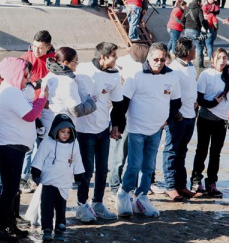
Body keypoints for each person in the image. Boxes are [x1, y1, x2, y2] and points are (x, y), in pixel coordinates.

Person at [115, 42, 181, 218]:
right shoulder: (136, 75)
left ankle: (142, 195)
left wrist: (166, 120)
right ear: (149, 58)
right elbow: (124, 102)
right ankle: (124, 192)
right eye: (155, 59)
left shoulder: (172, 76)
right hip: (136, 128)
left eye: (162, 59)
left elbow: (176, 102)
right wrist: (119, 126)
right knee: (134, 164)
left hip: (156, 129)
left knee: (149, 166)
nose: (159, 63)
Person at [0, 57, 48, 243]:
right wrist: (43, 97)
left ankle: (10, 225)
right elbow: (30, 115)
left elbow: (28, 109)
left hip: (14, 146)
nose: (28, 77)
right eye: (25, 74)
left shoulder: (16, 89)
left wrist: (35, 96)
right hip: (6, 146)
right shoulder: (10, 92)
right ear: (15, 74)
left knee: (13, 189)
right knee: (9, 189)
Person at [74, 42, 123, 221]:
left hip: (103, 128)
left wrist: (116, 125)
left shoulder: (115, 75)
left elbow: (118, 104)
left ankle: (98, 203)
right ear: (103, 57)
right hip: (83, 129)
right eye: (113, 56)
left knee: (103, 169)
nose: (116, 59)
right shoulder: (82, 70)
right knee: (86, 171)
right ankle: (81, 205)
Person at [190, 48, 229, 197]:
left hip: (222, 120)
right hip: (206, 117)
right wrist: (213, 103)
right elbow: (199, 99)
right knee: (202, 150)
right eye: (218, 58)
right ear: (212, 60)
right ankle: (196, 180)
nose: (222, 61)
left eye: (224, 58)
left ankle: (211, 182)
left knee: (216, 153)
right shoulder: (206, 74)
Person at [31, 114, 85, 242]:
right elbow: (40, 157)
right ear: (56, 130)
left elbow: (77, 161)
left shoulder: (74, 144)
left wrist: (79, 176)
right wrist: (36, 172)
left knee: (61, 207)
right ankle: (47, 229)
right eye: (62, 131)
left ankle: (60, 228)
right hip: (49, 180)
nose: (65, 134)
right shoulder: (48, 142)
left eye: (68, 132)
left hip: (64, 182)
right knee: (47, 206)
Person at [162, 38, 202, 202]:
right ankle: (171, 186)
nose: (195, 51)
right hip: (178, 117)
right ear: (187, 52)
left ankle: (181, 185)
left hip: (191, 115)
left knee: (182, 151)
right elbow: (167, 93)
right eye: (193, 48)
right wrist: (175, 114)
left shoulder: (191, 66)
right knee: (171, 151)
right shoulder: (173, 70)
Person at [108, 43, 149, 199]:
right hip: (125, 115)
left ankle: (127, 187)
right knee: (121, 155)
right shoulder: (125, 61)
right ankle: (114, 187)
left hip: (138, 118)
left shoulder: (146, 64)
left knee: (133, 157)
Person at [19, 31, 55, 193]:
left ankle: (37, 175)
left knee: (44, 145)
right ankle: (23, 177)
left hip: (47, 108)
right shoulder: (25, 58)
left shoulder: (54, 59)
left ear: (48, 47)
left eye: (40, 48)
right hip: (29, 106)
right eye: (34, 46)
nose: (36, 51)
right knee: (29, 145)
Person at [181, 0, 209, 69]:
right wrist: (206, 28)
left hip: (187, 31)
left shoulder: (187, 8)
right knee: (199, 47)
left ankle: (186, 63)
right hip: (195, 31)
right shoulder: (198, 9)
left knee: (187, 47)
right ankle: (200, 66)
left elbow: (182, 20)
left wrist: (185, 27)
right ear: (199, 2)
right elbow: (202, 20)